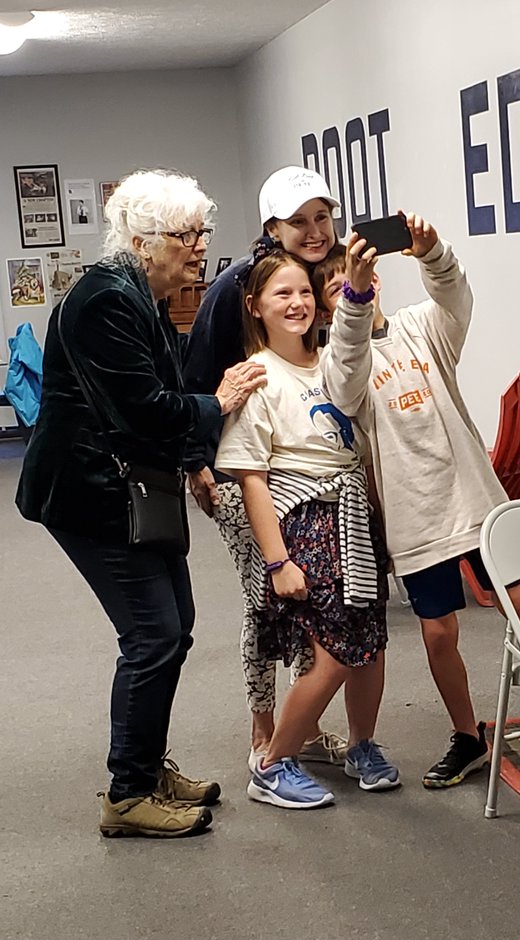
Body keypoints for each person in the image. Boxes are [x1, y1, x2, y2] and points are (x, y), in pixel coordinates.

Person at [15, 170, 266, 838]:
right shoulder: (104, 300)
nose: (198, 246)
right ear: (138, 239)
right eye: (183, 235)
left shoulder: (142, 295)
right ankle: (127, 794)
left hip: (128, 487)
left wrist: (201, 432)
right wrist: (222, 403)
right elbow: (148, 408)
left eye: (200, 232)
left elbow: (167, 375)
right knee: (152, 635)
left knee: (174, 624)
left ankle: (147, 766)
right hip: (90, 496)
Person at [318, 215, 520, 788]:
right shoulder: (339, 362)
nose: (352, 288)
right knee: (439, 632)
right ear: (330, 307)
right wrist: (355, 302)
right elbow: (346, 385)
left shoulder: (422, 327)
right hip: (417, 518)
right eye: (337, 288)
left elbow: (457, 299)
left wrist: (431, 251)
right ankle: (468, 734)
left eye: (357, 278)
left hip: (473, 498)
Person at [215, 248, 399, 809]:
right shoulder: (256, 377)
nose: (296, 303)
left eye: (304, 292)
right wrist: (277, 560)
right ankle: (272, 765)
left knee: (370, 641)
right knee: (332, 651)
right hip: (307, 522)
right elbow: (251, 479)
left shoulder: (333, 362)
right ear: (255, 306)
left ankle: (362, 744)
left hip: (354, 516)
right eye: (281, 294)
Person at [184, 166, 348, 769]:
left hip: (306, 470)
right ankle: (263, 733)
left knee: (309, 606)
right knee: (265, 600)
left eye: (321, 218)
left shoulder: (324, 277)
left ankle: (301, 730)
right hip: (241, 467)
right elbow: (197, 374)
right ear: (272, 226)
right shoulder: (239, 286)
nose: (313, 231)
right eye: (298, 221)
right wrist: (195, 464)